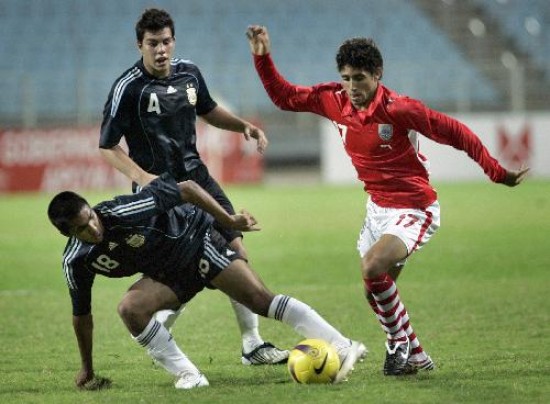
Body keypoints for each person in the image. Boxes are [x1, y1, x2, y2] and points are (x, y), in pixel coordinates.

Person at [246, 25, 529, 376]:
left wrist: (496, 172)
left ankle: (397, 347)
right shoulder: (332, 100)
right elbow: (284, 97)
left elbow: (454, 131)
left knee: (372, 267)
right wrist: (262, 57)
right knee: (377, 289)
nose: (352, 87)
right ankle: (418, 357)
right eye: (346, 78)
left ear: (378, 74)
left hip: (414, 206)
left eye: (360, 78)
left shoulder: (400, 109)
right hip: (377, 209)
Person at [47, 174, 366, 389]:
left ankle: (342, 344)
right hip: (167, 275)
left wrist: (227, 222)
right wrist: (87, 367)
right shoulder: (76, 261)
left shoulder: (122, 210)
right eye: (82, 228)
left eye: (91, 217)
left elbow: (185, 188)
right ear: (68, 233)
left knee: (259, 300)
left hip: (196, 240)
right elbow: (81, 318)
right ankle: (189, 375)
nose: (93, 227)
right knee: (130, 308)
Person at [98, 8, 286, 365]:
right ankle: (160, 331)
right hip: (162, 193)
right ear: (140, 45)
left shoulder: (189, 73)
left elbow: (209, 109)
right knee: (184, 267)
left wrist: (242, 125)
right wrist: (144, 179)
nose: (160, 49)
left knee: (238, 255)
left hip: (198, 178)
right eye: (152, 43)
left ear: (173, 41)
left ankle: (252, 345)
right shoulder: (128, 88)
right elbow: (107, 145)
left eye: (166, 41)